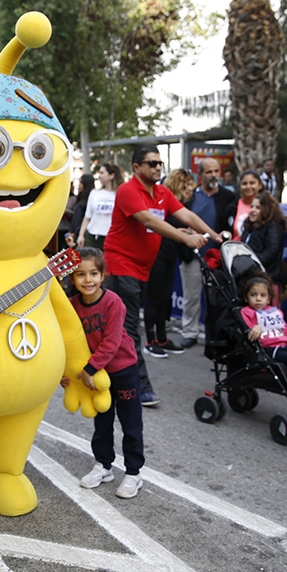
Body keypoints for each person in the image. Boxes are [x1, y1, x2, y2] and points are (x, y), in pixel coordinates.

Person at [104, 145, 222, 407]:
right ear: (137, 167)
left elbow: (187, 215)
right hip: (121, 265)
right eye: (151, 163)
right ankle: (139, 387)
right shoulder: (128, 191)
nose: (158, 167)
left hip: (142, 268)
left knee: (120, 326)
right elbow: (150, 222)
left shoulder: (161, 192)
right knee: (130, 328)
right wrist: (186, 238)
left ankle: (104, 371)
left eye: (159, 163)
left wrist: (213, 235)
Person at [66, 248, 145, 499]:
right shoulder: (72, 306)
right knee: (102, 422)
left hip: (122, 369)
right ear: (72, 278)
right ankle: (103, 466)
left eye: (93, 274)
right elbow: (67, 342)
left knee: (130, 423)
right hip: (97, 376)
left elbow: (111, 342)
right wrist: (64, 374)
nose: (87, 280)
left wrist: (89, 369)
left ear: (103, 275)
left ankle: (134, 472)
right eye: (81, 274)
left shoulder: (113, 302)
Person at [180, 158, 235, 349]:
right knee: (191, 295)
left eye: (216, 171)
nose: (213, 175)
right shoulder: (190, 197)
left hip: (217, 257)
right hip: (192, 254)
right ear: (200, 174)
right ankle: (190, 332)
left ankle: (214, 334)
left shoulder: (228, 197)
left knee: (216, 298)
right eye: (209, 172)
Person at [239, 274, 287, 410]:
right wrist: (254, 328)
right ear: (246, 298)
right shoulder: (247, 312)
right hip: (270, 348)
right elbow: (246, 332)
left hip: (284, 344)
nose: (258, 299)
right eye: (253, 295)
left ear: (269, 299)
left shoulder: (275, 312)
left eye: (262, 295)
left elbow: (286, 330)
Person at [143, 168, 193, 357]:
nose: (190, 188)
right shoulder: (163, 202)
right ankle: (150, 340)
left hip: (171, 255)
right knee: (153, 298)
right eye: (187, 184)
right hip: (157, 255)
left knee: (165, 298)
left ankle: (162, 338)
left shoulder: (180, 204)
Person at [241, 191, 287, 289]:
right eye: (252, 206)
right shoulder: (249, 228)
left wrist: (250, 263)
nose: (252, 210)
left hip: (269, 281)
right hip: (251, 280)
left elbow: (272, 250)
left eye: (258, 208)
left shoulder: (273, 227)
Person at [77, 162, 122, 251]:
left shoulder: (119, 194)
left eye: (102, 173)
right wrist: (81, 235)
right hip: (92, 237)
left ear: (111, 175)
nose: (99, 176)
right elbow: (87, 217)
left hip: (111, 238)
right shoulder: (94, 193)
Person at [225, 169, 263, 238]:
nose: (248, 187)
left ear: (260, 185)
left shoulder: (268, 207)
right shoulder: (232, 207)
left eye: (252, 183)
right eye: (244, 184)